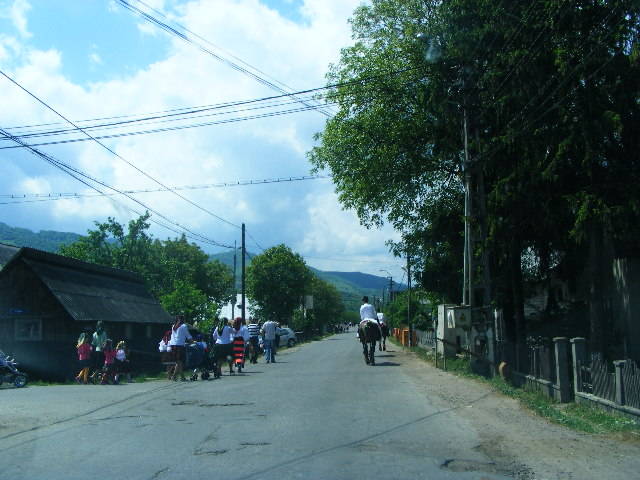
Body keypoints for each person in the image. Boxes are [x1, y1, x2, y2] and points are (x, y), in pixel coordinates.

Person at [169, 315, 192, 381]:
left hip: (173, 345)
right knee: (180, 361)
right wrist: (192, 342)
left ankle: (177, 376)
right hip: (179, 345)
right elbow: (188, 335)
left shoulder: (173, 326)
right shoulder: (184, 326)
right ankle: (179, 376)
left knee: (178, 362)